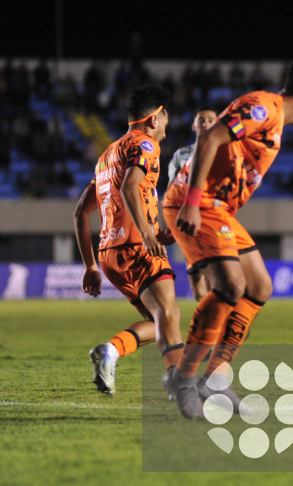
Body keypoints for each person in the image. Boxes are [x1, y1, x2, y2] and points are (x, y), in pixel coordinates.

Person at [166, 59, 293, 419]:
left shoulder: (274, 120)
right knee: (230, 286)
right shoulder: (264, 107)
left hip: (220, 211)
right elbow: (209, 138)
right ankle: (184, 377)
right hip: (200, 204)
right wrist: (191, 203)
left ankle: (215, 378)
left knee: (259, 287)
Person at [73, 84, 184, 397]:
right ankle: (180, 384)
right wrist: (148, 235)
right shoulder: (146, 145)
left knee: (160, 319)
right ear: (153, 119)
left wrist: (90, 266)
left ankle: (110, 351)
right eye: (164, 119)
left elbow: (81, 212)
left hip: (110, 254)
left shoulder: (108, 155)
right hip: (137, 246)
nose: (166, 127)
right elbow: (129, 188)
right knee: (170, 315)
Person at [162, 106, 219, 302]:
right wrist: (170, 225)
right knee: (196, 279)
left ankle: (216, 322)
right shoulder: (182, 155)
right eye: (201, 120)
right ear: (194, 125)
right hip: (188, 220)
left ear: (217, 124)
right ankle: (209, 318)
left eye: (210, 120)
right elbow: (171, 191)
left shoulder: (225, 152)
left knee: (218, 273)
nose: (205, 123)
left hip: (213, 217)